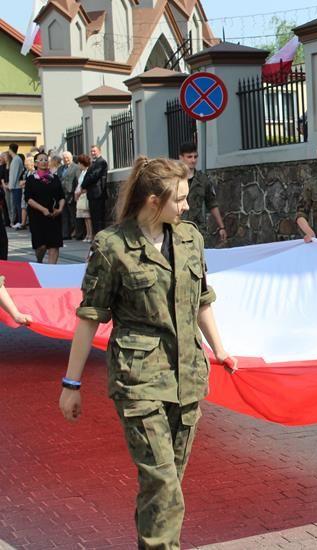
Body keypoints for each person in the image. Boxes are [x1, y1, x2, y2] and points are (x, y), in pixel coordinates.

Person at [58, 156, 237, 549]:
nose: (187, 206)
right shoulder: (112, 246)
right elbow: (90, 317)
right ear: (154, 200)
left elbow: (202, 300)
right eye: (180, 199)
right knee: (161, 480)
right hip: (138, 380)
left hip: (188, 376)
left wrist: (220, 349)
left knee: (165, 482)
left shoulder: (190, 238)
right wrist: (71, 383)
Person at [177, 142, 227, 243]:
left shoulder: (203, 180)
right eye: (189, 157)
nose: (193, 160)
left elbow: (212, 203)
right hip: (178, 228)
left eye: (195, 157)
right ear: (181, 158)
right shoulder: (174, 178)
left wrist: (221, 227)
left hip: (198, 229)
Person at [25, 152, 65, 264]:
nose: (44, 162)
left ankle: (51, 272)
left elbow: (61, 196)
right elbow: (28, 199)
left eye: (46, 160)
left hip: (54, 215)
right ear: (36, 163)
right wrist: (43, 210)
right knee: (41, 246)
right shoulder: (31, 179)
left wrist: (60, 209)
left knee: (54, 245)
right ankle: (39, 260)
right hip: (37, 216)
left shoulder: (55, 178)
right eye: (41, 160)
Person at [82, 145, 108, 236]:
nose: (93, 153)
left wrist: (83, 184)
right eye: (91, 151)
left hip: (98, 194)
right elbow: (87, 176)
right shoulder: (93, 163)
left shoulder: (101, 162)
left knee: (99, 218)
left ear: (99, 151)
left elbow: (94, 176)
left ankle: (100, 237)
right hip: (92, 194)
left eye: (94, 151)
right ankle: (96, 236)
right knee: (94, 217)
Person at [58, 151, 81, 239]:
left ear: (71, 158)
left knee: (74, 215)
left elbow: (78, 181)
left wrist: (75, 193)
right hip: (62, 195)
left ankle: (78, 234)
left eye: (67, 158)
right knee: (64, 215)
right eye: (64, 158)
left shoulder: (76, 167)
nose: (66, 160)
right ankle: (65, 234)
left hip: (71, 194)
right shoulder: (60, 168)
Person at [74, 155, 93, 242]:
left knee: (88, 217)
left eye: (79, 163)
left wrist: (79, 192)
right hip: (80, 196)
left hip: (85, 195)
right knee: (84, 218)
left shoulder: (87, 171)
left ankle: (90, 234)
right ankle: (87, 234)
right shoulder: (82, 172)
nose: (78, 165)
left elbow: (86, 185)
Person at [7, 145, 24, 229]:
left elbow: (14, 174)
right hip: (15, 186)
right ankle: (20, 221)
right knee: (17, 205)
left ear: (11, 149)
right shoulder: (16, 159)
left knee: (18, 205)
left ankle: (21, 222)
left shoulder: (16, 159)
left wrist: (11, 185)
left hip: (16, 186)